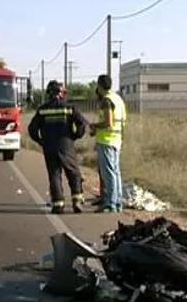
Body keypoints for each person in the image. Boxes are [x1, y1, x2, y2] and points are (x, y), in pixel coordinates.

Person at [27, 80, 88, 214]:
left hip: (49, 147)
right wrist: (75, 136)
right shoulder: (69, 108)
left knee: (54, 175)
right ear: (62, 93)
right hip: (66, 146)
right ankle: (77, 201)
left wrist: (40, 141)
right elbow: (82, 124)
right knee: (73, 173)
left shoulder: (42, 109)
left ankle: (58, 205)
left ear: (49, 93)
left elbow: (32, 129)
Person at [90, 74, 127, 212]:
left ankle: (110, 203)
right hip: (116, 139)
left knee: (109, 173)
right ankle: (117, 202)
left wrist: (95, 126)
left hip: (106, 140)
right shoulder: (118, 99)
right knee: (115, 172)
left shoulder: (107, 101)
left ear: (99, 86)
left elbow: (108, 122)